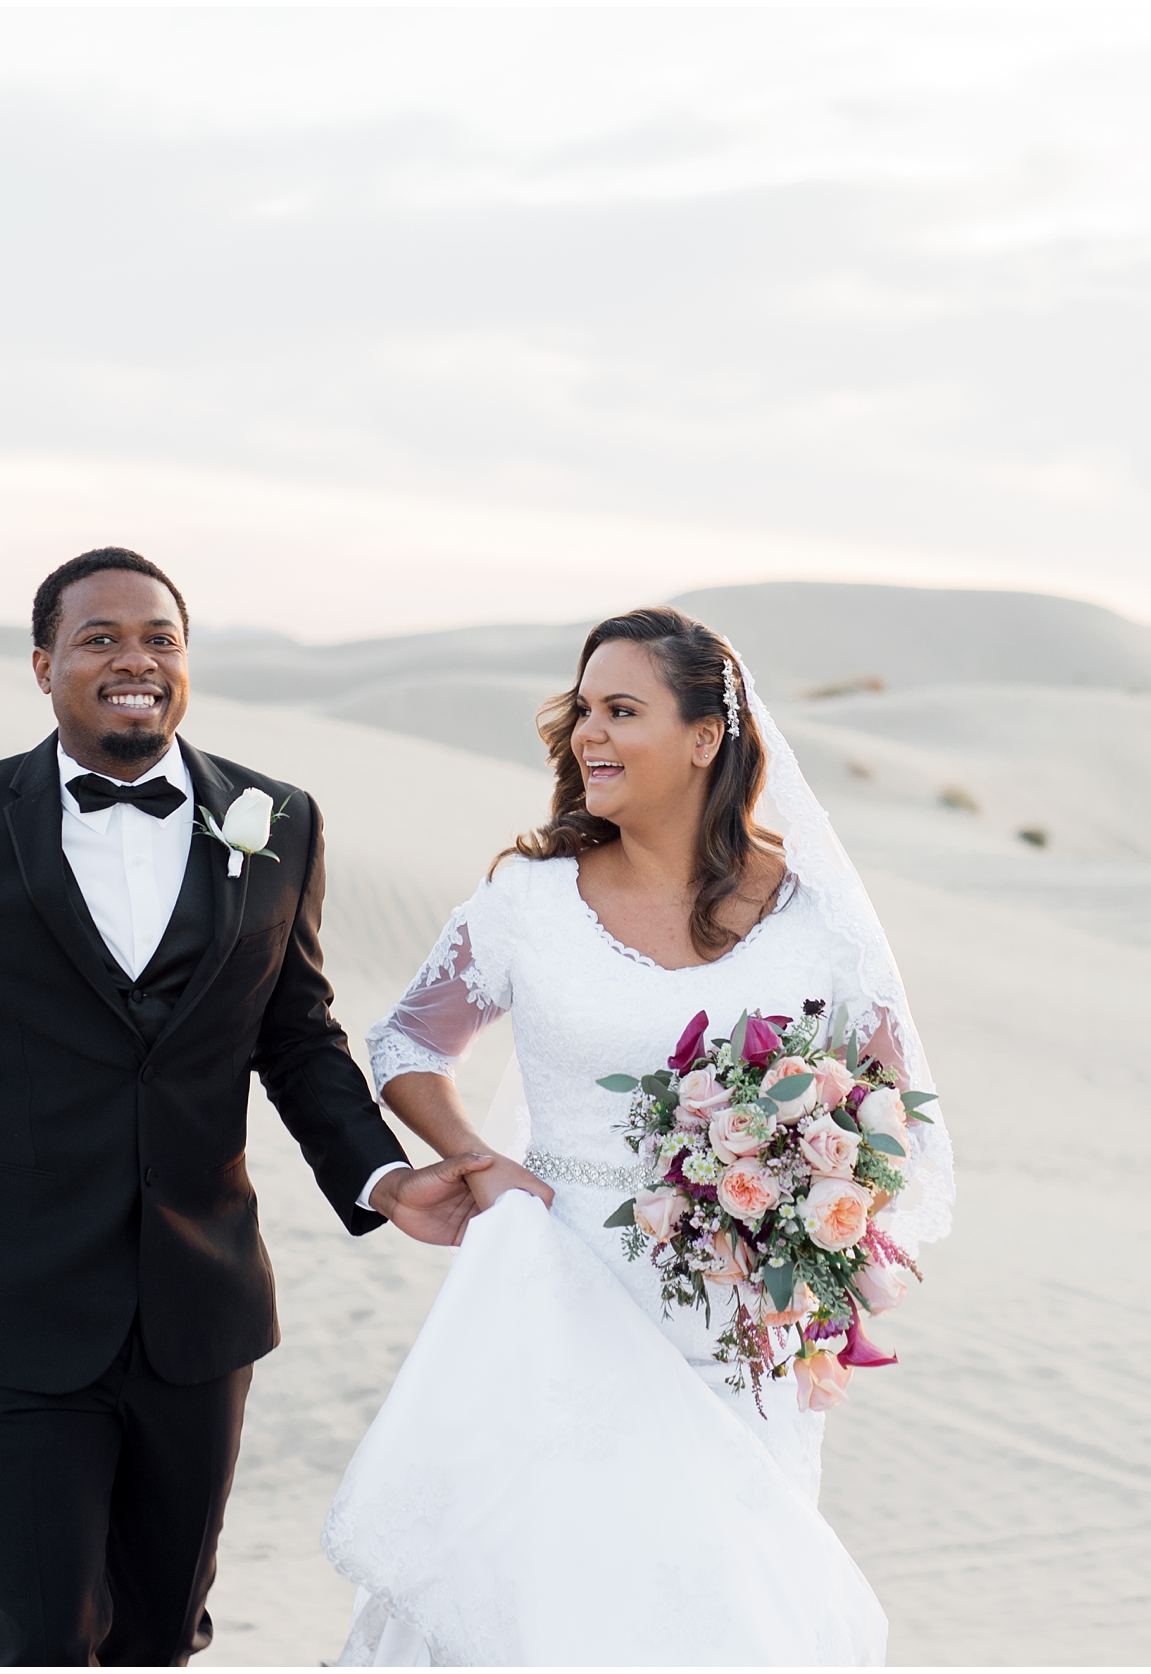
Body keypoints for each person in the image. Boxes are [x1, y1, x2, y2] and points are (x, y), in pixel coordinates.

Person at [0, 547, 549, 1666]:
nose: (134, 659)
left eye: (160, 638)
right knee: (45, 1637)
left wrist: (382, 1179)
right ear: (43, 665)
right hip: (14, 1313)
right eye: (100, 638)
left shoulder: (276, 818)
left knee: (156, 1637)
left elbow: (294, 1036)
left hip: (201, 1318)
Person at [324, 606, 955, 1666]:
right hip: (557, 1283)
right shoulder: (529, 898)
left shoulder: (814, 917)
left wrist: (813, 1214)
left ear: (706, 736)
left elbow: (888, 1107)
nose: (588, 736)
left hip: (733, 1323)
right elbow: (403, 1045)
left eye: (623, 711)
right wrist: (480, 1164)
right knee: (546, 1594)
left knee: (715, 1602)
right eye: (583, 711)